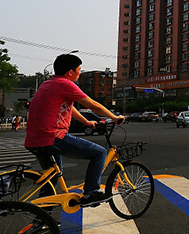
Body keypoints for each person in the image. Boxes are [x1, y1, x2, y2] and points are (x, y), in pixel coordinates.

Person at [24, 53, 125, 207]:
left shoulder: (48, 84)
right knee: (100, 153)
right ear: (70, 72)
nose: (80, 72)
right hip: (53, 137)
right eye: (79, 69)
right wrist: (115, 117)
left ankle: (41, 219)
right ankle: (91, 192)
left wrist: (86, 121)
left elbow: (68, 108)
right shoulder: (65, 84)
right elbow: (93, 105)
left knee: (51, 179)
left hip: (33, 139)